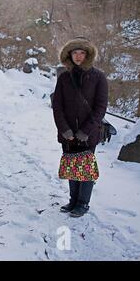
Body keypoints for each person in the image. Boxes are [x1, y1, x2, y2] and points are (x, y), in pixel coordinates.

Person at [52, 36, 108, 217]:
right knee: (71, 165)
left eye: (82, 53)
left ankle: (83, 203)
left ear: (87, 55)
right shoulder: (64, 78)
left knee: (85, 167)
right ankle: (73, 200)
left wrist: (85, 131)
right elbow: (57, 106)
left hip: (88, 133)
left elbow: (101, 108)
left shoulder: (98, 77)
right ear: (69, 55)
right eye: (75, 52)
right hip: (67, 132)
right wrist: (65, 130)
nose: (78, 56)